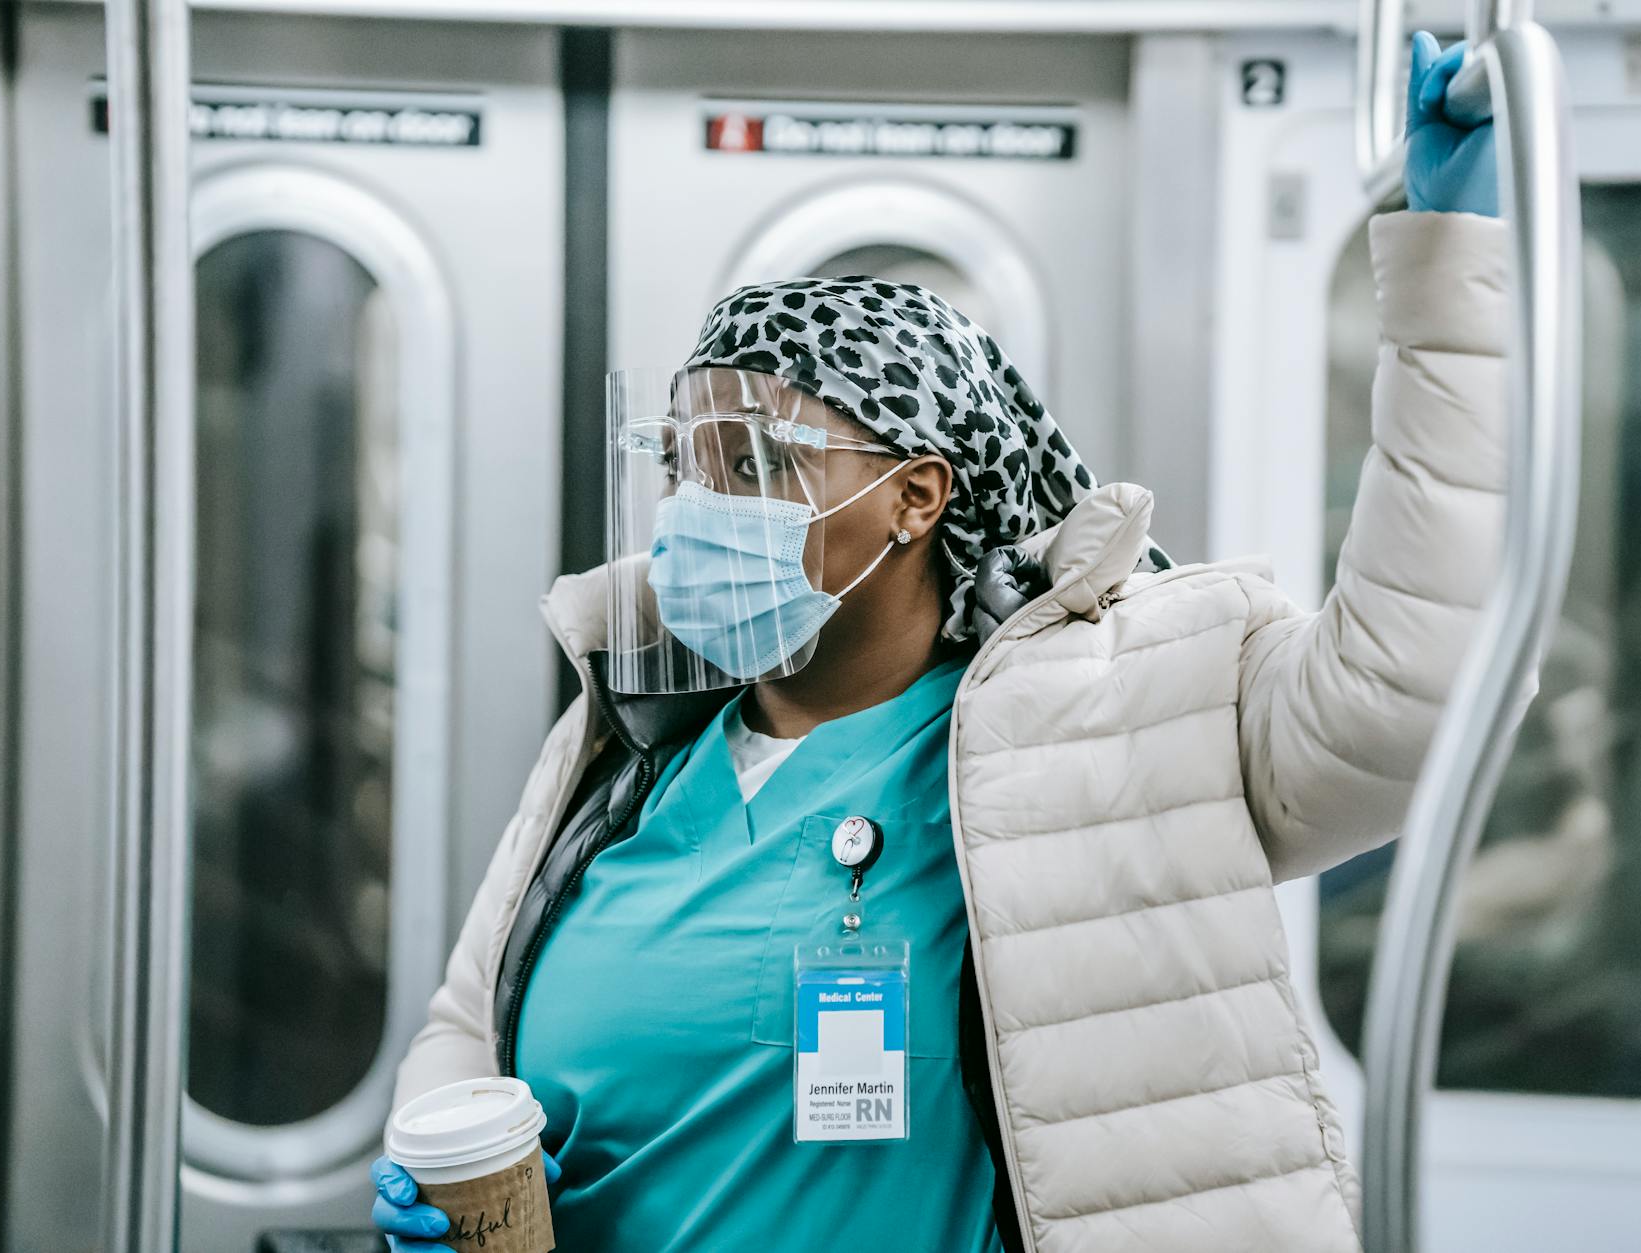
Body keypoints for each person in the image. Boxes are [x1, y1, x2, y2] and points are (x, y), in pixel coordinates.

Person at [374, 33, 1514, 1253]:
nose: (697, 510)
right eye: (684, 464)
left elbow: (1418, 691)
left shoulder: (1116, 721)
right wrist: (438, 1138)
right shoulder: (633, 740)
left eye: (755, 462)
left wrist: (1457, 281)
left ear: (916, 498)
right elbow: (467, 1013)